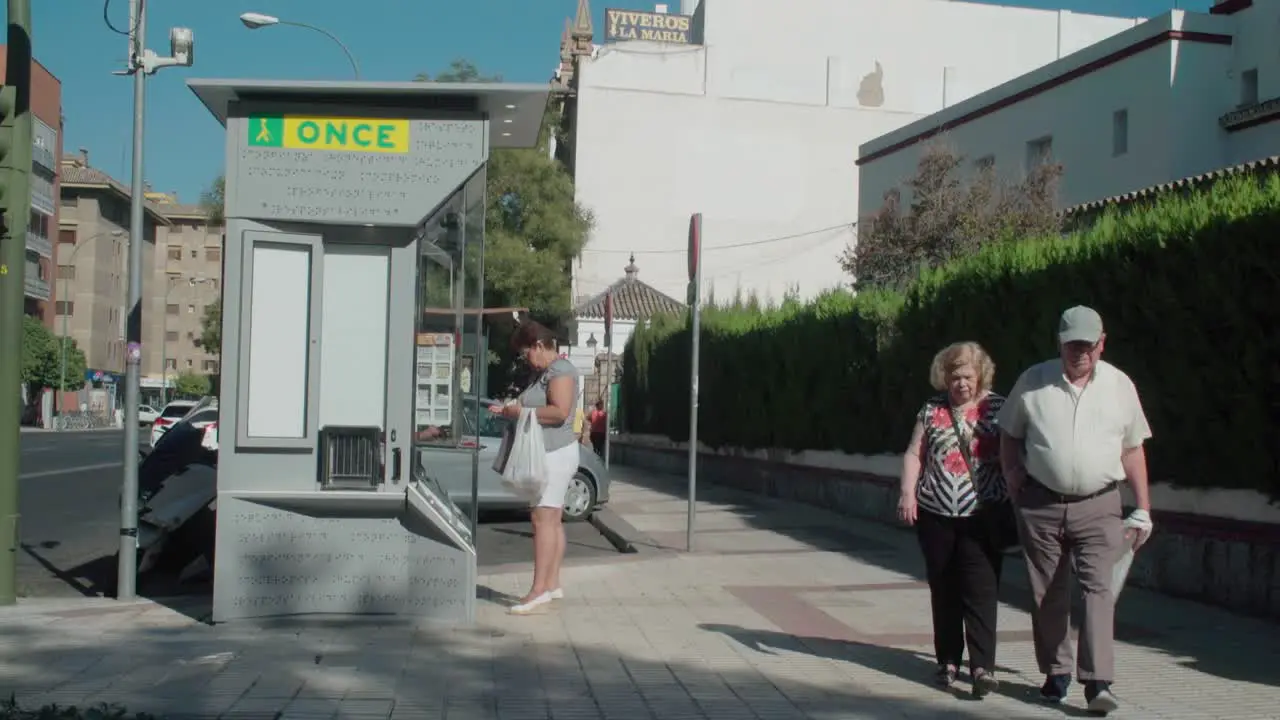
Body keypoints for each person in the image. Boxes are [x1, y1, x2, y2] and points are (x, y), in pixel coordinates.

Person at [998, 306, 1154, 715]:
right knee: (1047, 591)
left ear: (1102, 343)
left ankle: (1097, 681)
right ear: (1059, 343)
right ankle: (1057, 673)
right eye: (1072, 345)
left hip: (1100, 503)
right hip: (1041, 503)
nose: (1079, 353)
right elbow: (1009, 433)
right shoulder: (1033, 380)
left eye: (1087, 345)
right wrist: (1011, 470)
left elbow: (1133, 449)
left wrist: (1143, 508)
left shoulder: (1119, 385)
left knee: (1098, 590)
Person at [897, 341, 1010, 698]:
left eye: (967, 375)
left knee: (981, 590)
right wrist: (907, 493)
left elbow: (1015, 457)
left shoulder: (998, 408)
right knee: (944, 588)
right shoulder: (932, 410)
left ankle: (982, 667)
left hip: (982, 516)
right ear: (943, 378)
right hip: (936, 514)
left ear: (980, 376)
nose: (961, 383)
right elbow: (915, 453)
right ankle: (947, 660)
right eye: (954, 376)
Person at [490, 320, 581, 615]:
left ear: (540, 346)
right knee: (552, 519)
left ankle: (538, 589)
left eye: (526, 352)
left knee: (542, 520)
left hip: (553, 452)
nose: (525, 358)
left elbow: (558, 412)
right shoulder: (545, 373)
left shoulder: (560, 371)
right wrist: (509, 407)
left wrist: (519, 411)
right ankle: (551, 584)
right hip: (554, 451)